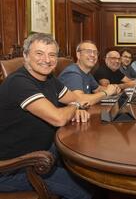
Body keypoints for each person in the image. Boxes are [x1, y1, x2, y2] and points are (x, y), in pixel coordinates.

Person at [0, 33, 93, 199]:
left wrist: (75, 104)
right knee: (86, 191)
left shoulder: (49, 78)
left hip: (42, 152)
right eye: (39, 53)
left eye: (52, 55)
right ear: (26, 56)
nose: (47, 60)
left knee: (91, 170)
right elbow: (58, 117)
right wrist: (75, 106)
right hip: (13, 167)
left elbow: (76, 98)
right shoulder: (19, 82)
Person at [58, 40, 119, 105]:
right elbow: (79, 100)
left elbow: (98, 89)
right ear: (78, 55)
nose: (93, 55)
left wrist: (113, 89)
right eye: (88, 52)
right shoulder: (72, 73)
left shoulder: (87, 73)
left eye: (95, 52)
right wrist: (106, 92)